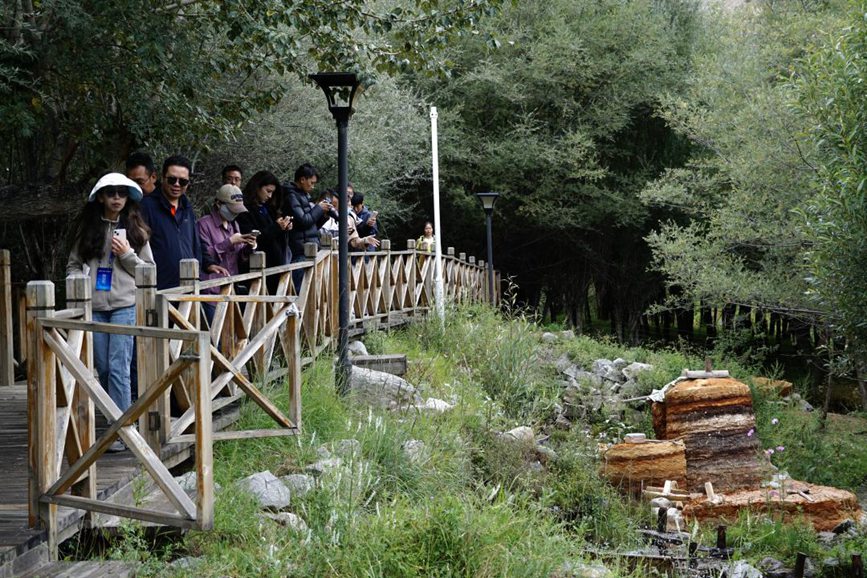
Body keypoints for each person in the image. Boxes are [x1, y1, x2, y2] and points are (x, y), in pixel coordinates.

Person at [67, 173, 154, 451]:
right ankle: (117, 421)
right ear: (101, 197)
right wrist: (78, 284)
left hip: (124, 305)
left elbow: (148, 271)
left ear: (128, 198)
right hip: (94, 307)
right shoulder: (88, 228)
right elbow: (72, 265)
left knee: (118, 367)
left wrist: (127, 254)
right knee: (103, 368)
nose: (117, 198)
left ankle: (122, 431)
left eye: (122, 193)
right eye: (111, 193)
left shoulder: (136, 229)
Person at [140, 155, 227, 290]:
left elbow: (195, 242)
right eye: (172, 179)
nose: (177, 184)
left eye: (183, 181)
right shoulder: (146, 206)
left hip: (190, 286)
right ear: (162, 177)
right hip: (159, 288)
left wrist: (208, 263)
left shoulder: (187, 207)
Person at [198, 184, 257, 321]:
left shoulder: (233, 225)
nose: (235, 213)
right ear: (219, 204)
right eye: (232, 209)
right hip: (211, 292)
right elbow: (204, 255)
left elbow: (238, 256)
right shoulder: (203, 224)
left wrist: (249, 247)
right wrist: (229, 242)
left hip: (231, 289)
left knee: (231, 332)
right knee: (214, 333)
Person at [284, 164, 330, 289]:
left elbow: (311, 225)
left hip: (310, 250)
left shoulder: (304, 195)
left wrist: (323, 215)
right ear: (302, 179)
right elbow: (303, 221)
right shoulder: (291, 196)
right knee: (302, 291)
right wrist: (318, 208)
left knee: (312, 291)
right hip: (299, 251)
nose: (313, 186)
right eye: (311, 183)